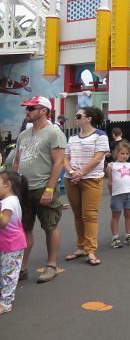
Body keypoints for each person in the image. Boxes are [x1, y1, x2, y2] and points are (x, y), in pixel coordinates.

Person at [13, 96, 67, 284]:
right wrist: (12, 188)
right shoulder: (23, 135)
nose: (27, 112)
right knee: (24, 229)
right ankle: (22, 268)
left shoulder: (54, 133)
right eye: (26, 109)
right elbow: (17, 162)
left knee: (50, 226)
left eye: (31, 108)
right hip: (23, 190)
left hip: (43, 187)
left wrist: (50, 189)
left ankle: (51, 265)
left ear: (43, 110)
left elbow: (58, 162)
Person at [63, 106, 110, 266]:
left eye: (78, 115)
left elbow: (98, 158)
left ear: (88, 119)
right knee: (77, 215)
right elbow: (65, 158)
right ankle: (81, 247)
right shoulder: (72, 138)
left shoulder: (100, 136)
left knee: (89, 215)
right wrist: (71, 172)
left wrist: (80, 173)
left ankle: (90, 250)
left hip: (91, 179)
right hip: (71, 180)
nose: (75, 118)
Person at [0, 171, 28, 314]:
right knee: (4, 272)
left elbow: (3, 222)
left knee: (9, 274)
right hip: (6, 244)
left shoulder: (9, 201)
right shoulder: (8, 200)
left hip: (12, 245)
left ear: (7, 184)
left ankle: (5, 303)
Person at [106, 140, 130, 248]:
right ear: (116, 153)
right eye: (122, 153)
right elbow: (109, 182)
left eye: (127, 153)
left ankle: (129, 236)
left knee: (129, 215)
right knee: (116, 216)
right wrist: (112, 194)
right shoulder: (111, 166)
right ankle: (115, 238)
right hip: (117, 195)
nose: (125, 156)